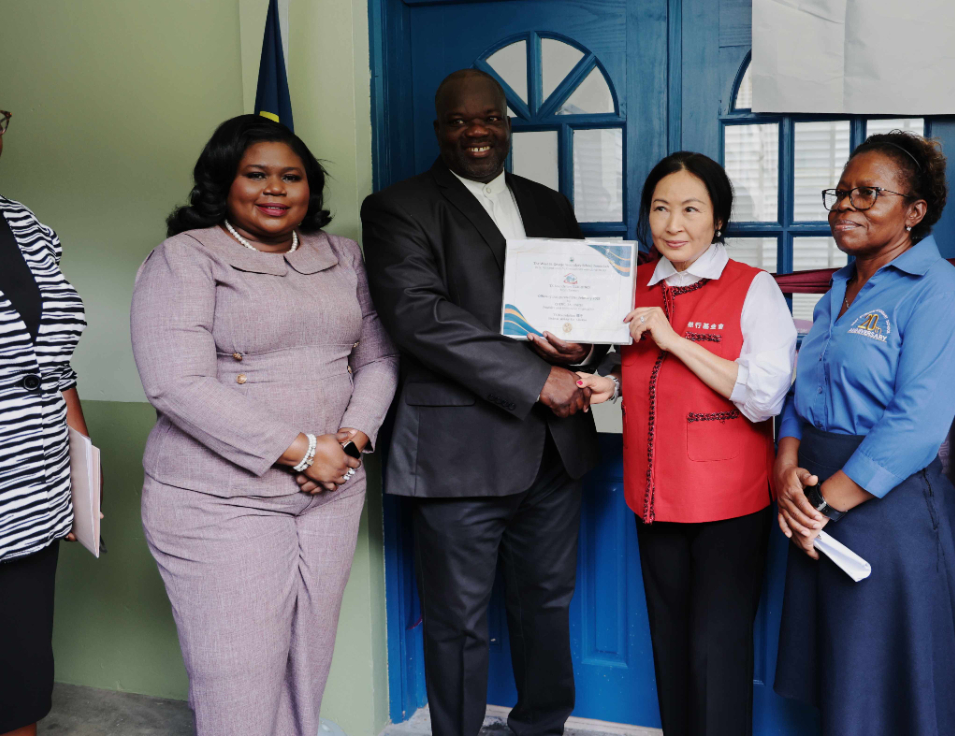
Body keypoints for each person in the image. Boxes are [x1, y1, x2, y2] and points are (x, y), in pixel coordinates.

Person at [130, 115, 398, 736]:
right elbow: (175, 382)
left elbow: (379, 359)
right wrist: (302, 451)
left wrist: (350, 442)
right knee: (239, 679)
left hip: (332, 491)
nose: (274, 189)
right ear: (223, 181)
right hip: (219, 499)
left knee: (308, 664)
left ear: (310, 187)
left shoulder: (341, 255)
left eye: (291, 176)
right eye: (256, 175)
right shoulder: (185, 258)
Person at [361, 69, 601, 736]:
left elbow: (583, 302)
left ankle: (541, 728)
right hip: (457, 456)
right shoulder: (397, 207)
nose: (476, 132)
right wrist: (538, 379)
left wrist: (582, 350)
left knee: (547, 604)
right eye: (460, 120)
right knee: (458, 620)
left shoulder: (549, 204)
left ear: (506, 123)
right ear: (439, 129)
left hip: (554, 451)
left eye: (489, 118)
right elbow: (421, 316)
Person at [772, 131, 955, 736]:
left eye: (867, 193)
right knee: (842, 682)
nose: (846, 205)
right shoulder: (837, 292)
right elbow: (803, 391)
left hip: (888, 514)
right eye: (841, 193)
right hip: (817, 499)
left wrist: (820, 506)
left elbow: (916, 426)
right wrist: (785, 465)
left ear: (914, 211)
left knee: (886, 694)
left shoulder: (941, 293)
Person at [577, 152, 797, 736]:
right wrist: (607, 382)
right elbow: (637, 371)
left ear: (718, 219)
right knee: (670, 648)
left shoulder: (753, 288)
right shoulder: (631, 284)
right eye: (660, 208)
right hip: (653, 498)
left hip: (729, 504)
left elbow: (765, 396)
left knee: (716, 654)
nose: (673, 224)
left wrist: (674, 339)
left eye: (691, 209)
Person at [0, 53, 89, 736]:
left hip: (29, 501)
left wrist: (78, 474)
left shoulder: (26, 225)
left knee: (14, 688)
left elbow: (54, 365)